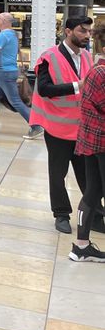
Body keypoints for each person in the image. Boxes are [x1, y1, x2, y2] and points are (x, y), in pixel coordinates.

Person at [31, 17, 95, 234]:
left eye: (89, 31)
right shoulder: (49, 57)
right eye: (82, 31)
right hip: (57, 128)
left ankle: (94, 214)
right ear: (68, 31)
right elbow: (45, 89)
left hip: (83, 127)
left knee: (88, 175)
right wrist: (78, 85)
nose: (87, 35)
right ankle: (61, 214)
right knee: (58, 173)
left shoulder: (88, 56)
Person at [70, 22, 105, 261]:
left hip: (92, 139)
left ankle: (81, 246)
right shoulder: (102, 72)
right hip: (101, 140)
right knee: (94, 191)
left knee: (93, 191)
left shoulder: (96, 69)